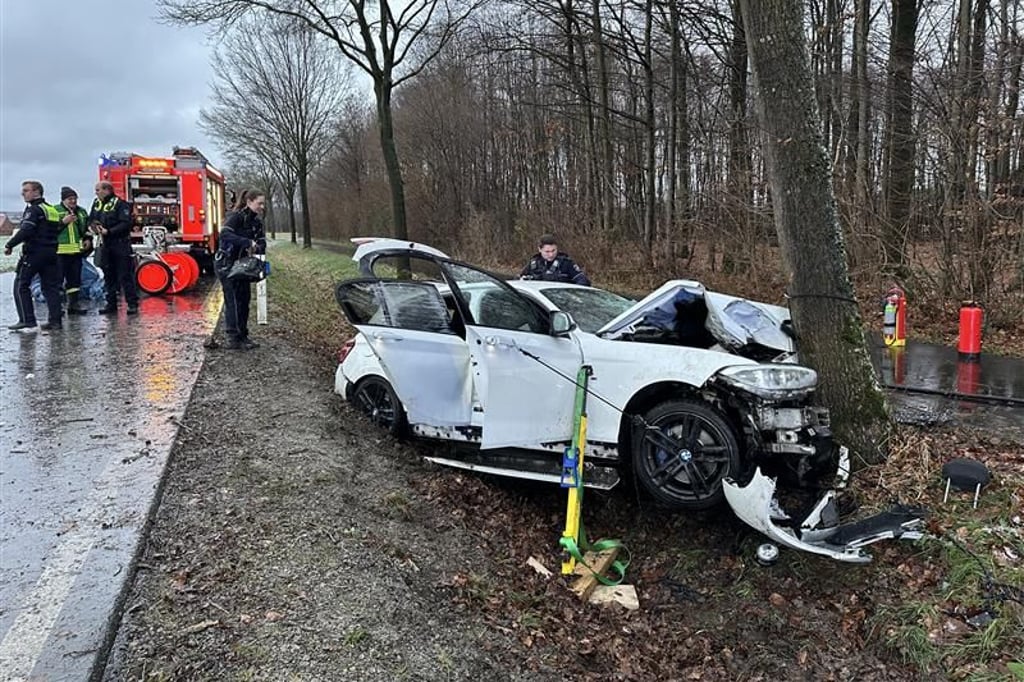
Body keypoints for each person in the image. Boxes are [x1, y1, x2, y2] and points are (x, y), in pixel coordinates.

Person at [4, 181, 64, 331]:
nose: (23, 194)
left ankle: (27, 320)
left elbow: (26, 231)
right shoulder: (51, 209)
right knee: (51, 288)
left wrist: (9, 245)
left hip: (34, 252)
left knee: (21, 284)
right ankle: (55, 321)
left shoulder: (34, 210)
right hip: (51, 253)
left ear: (37, 192)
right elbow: (57, 229)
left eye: (26, 190)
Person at [215, 189, 267, 350]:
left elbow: (261, 242)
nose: (262, 206)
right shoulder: (235, 217)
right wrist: (247, 242)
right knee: (233, 301)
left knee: (244, 300)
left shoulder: (257, 222)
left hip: (243, 266)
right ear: (249, 201)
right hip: (226, 264)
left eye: (263, 203)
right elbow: (224, 235)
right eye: (259, 203)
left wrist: (258, 247)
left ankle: (243, 335)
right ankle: (233, 338)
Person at [89, 180, 138, 315]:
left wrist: (109, 231)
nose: (96, 193)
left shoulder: (121, 204)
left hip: (120, 244)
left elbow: (125, 223)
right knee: (108, 275)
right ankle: (111, 305)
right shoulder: (96, 204)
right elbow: (91, 219)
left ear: (107, 190)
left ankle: (132, 304)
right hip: (105, 244)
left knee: (125, 275)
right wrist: (94, 227)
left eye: (98, 190)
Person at [54, 186, 93, 315]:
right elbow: (49, 230)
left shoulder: (81, 212)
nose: (73, 201)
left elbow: (87, 228)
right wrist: (63, 222)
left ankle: (73, 305)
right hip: (59, 253)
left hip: (76, 252)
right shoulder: (55, 211)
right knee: (57, 281)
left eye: (75, 199)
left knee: (74, 281)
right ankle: (57, 309)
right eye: (70, 199)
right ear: (63, 200)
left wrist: (88, 239)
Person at [519, 233, 591, 286]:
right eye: (547, 251)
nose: (551, 254)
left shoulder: (566, 263)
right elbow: (520, 281)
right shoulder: (533, 264)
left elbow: (583, 281)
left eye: (553, 251)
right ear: (540, 249)